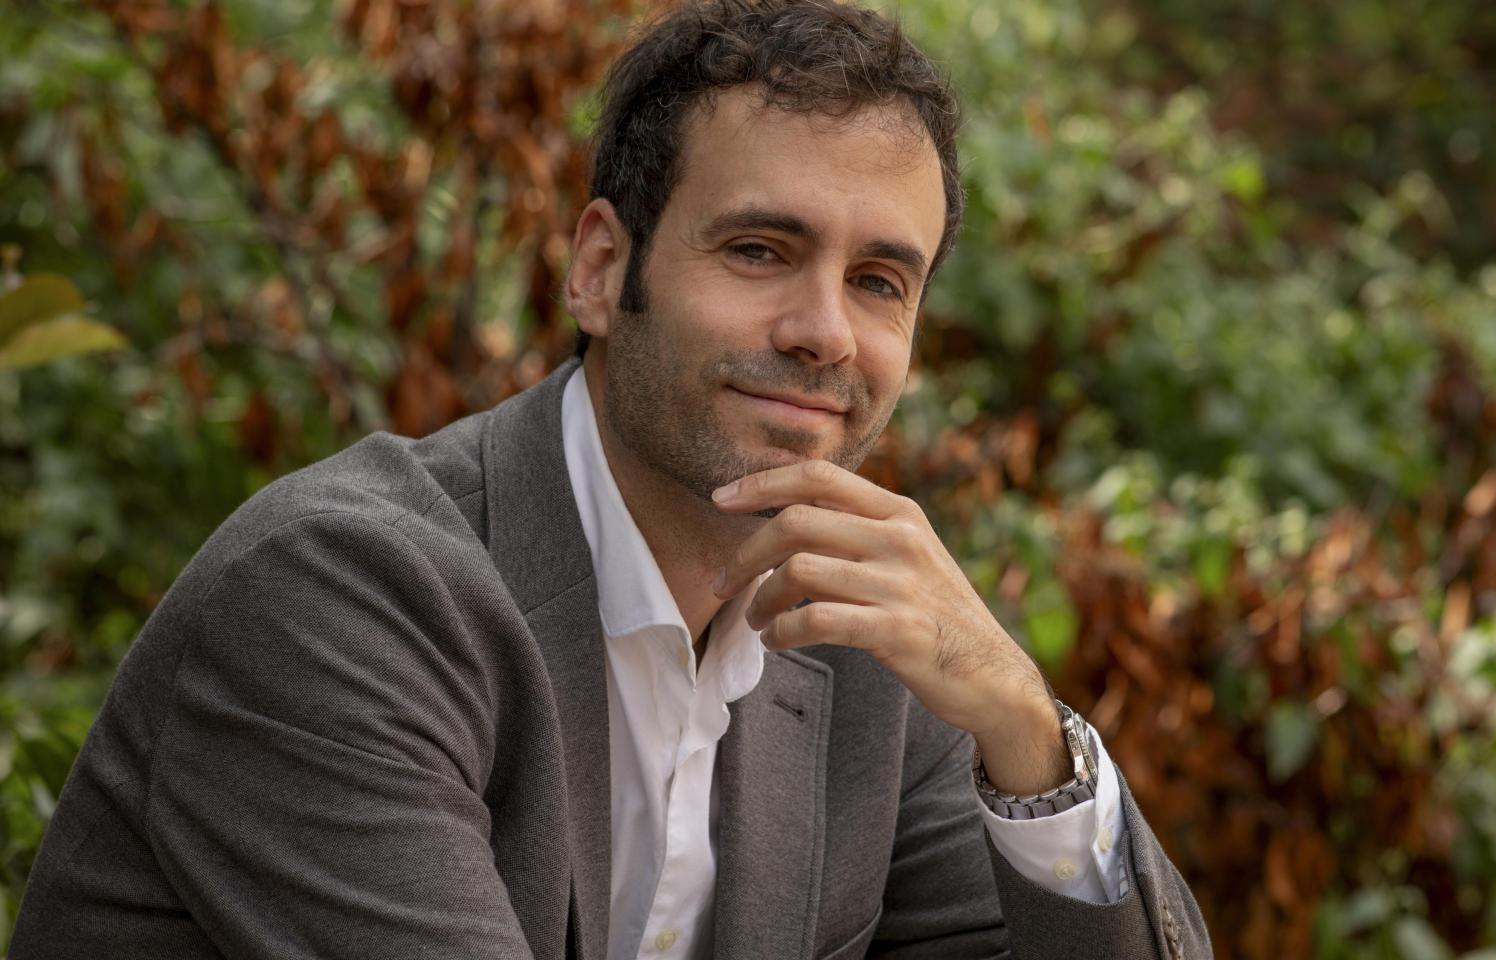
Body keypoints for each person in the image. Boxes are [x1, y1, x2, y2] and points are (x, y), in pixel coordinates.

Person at [11, 1, 1210, 957]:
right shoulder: (338, 595)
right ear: (597, 269)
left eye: (878, 282)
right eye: (759, 250)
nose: (823, 333)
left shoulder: (864, 641)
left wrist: (1024, 733)